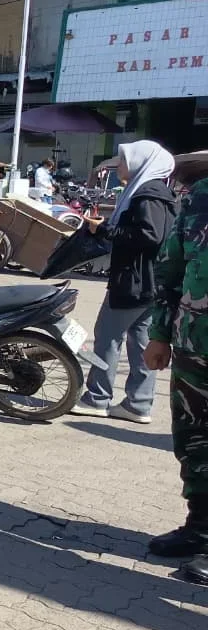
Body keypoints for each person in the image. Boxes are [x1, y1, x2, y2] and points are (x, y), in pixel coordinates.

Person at [72, 141, 178, 425]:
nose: (119, 166)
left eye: (123, 161)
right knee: (141, 341)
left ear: (141, 162)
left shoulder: (147, 194)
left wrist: (105, 229)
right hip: (149, 281)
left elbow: (150, 235)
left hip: (134, 280)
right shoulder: (156, 191)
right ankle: (138, 404)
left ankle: (97, 398)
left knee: (107, 336)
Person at [143, 174, 208, 586]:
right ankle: (200, 528)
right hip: (192, 345)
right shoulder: (201, 195)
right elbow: (171, 267)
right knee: (193, 440)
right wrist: (160, 332)